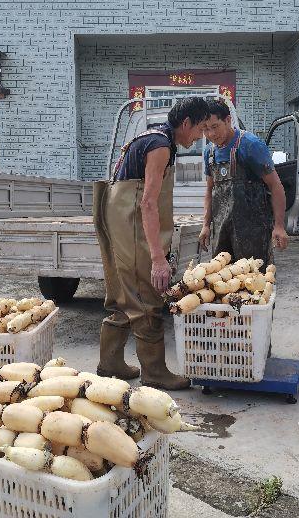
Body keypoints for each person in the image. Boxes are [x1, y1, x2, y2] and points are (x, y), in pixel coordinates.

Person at [93, 96, 209, 390]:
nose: (200, 137)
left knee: (123, 296)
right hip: (131, 224)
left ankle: (110, 364)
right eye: (200, 130)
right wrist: (158, 258)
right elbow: (147, 203)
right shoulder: (160, 147)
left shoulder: (151, 136)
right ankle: (155, 372)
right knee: (148, 297)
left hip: (118, 221)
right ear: (186, 124)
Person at [198, 98, 289, 267]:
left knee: (253, 283)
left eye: (214, 127)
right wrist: (205, 225)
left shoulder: (251, 145)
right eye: (205, 129)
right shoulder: (209, 152)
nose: (210, 134)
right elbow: (210, 190)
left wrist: (279, 226)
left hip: (253, 231)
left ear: (227, 120)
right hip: (221, 232)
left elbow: (275, 185)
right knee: (221, 281)